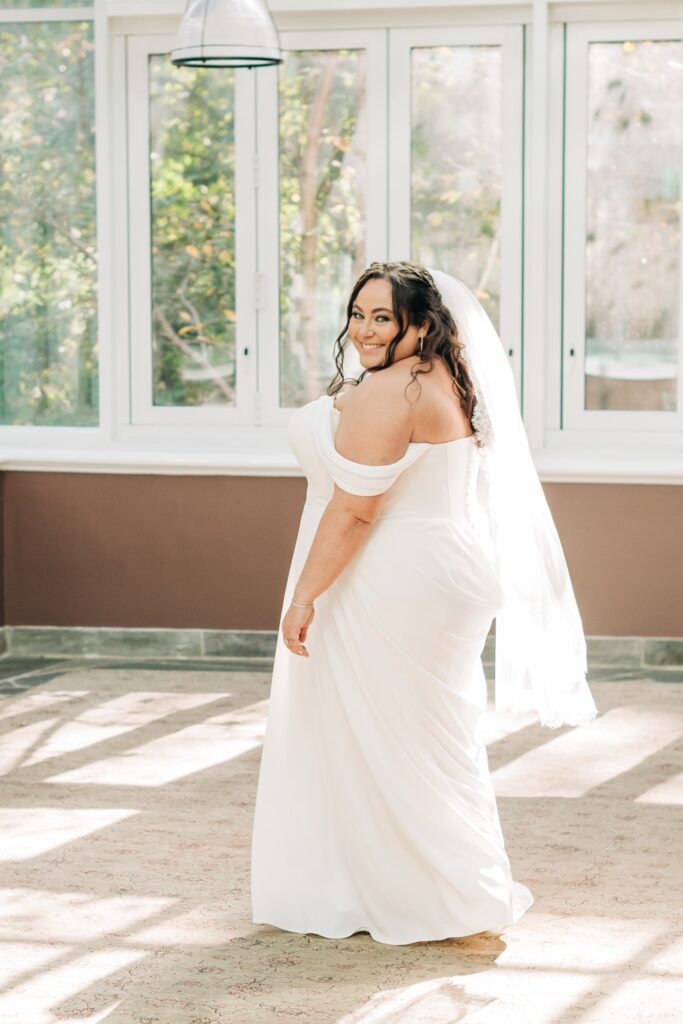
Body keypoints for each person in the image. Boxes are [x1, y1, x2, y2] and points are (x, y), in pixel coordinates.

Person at [250, 261, 598, 946]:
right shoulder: (442, 376)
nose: (364, 329)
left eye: (383, 317)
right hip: (444, 565)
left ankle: (430, 897)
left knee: (390, 739)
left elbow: (353, 512)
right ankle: (438, 887)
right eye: (357, 313)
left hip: (394, 574)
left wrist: (302, 596)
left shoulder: (392, 390)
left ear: (421, 323)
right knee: (424, 738)